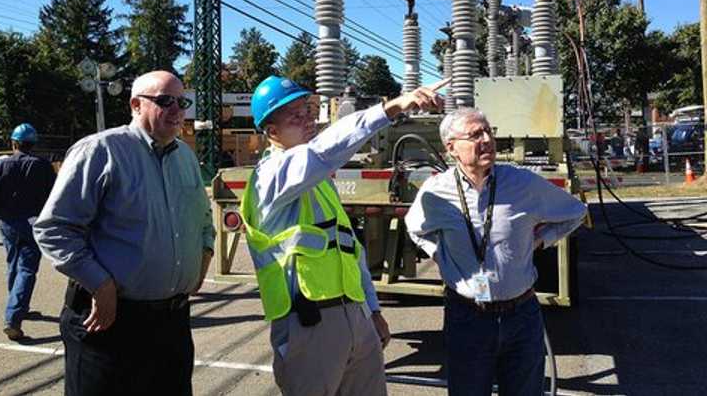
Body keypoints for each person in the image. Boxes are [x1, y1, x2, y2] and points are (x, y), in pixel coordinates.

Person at [242, 75, 444, 396]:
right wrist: (391, 108)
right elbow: (324, 151)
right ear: (271, 130)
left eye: (307, 111)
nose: (308, 119)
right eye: (295, 115)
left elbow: (349, 250)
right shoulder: (271, 176)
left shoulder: (319, 182)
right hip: (308, 324)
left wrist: (373, 311)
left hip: (355, 317)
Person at [33, 71, 215, 396]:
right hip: (110, 322)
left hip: (171, 325)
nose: (176, 110)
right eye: (164, 101)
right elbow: (54, 229)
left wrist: (203, 256)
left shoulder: (185, 157)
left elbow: (203, 218)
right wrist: (100, 284)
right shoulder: (100, 151)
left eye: (182, 102)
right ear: (135, 104)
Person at [405, 108, 586, 396]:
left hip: (522, 315)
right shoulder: (436, 192)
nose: (487, 139)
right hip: (467, 318)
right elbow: (415, 228)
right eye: (476, 134)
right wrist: (439, 255)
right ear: (451, 147)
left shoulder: (522, 183)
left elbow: (576, 212)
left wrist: (543, 240)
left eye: (489, 131)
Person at [0, 123, 56, 340]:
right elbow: (54, 196)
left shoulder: (0, 165)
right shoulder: (43, 166)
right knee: (26, 268)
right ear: (33, 144)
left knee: (13, 263)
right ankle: (13, 317)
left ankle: (18, 306)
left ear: (14, 142)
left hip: (7, 222)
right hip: (32, 223)